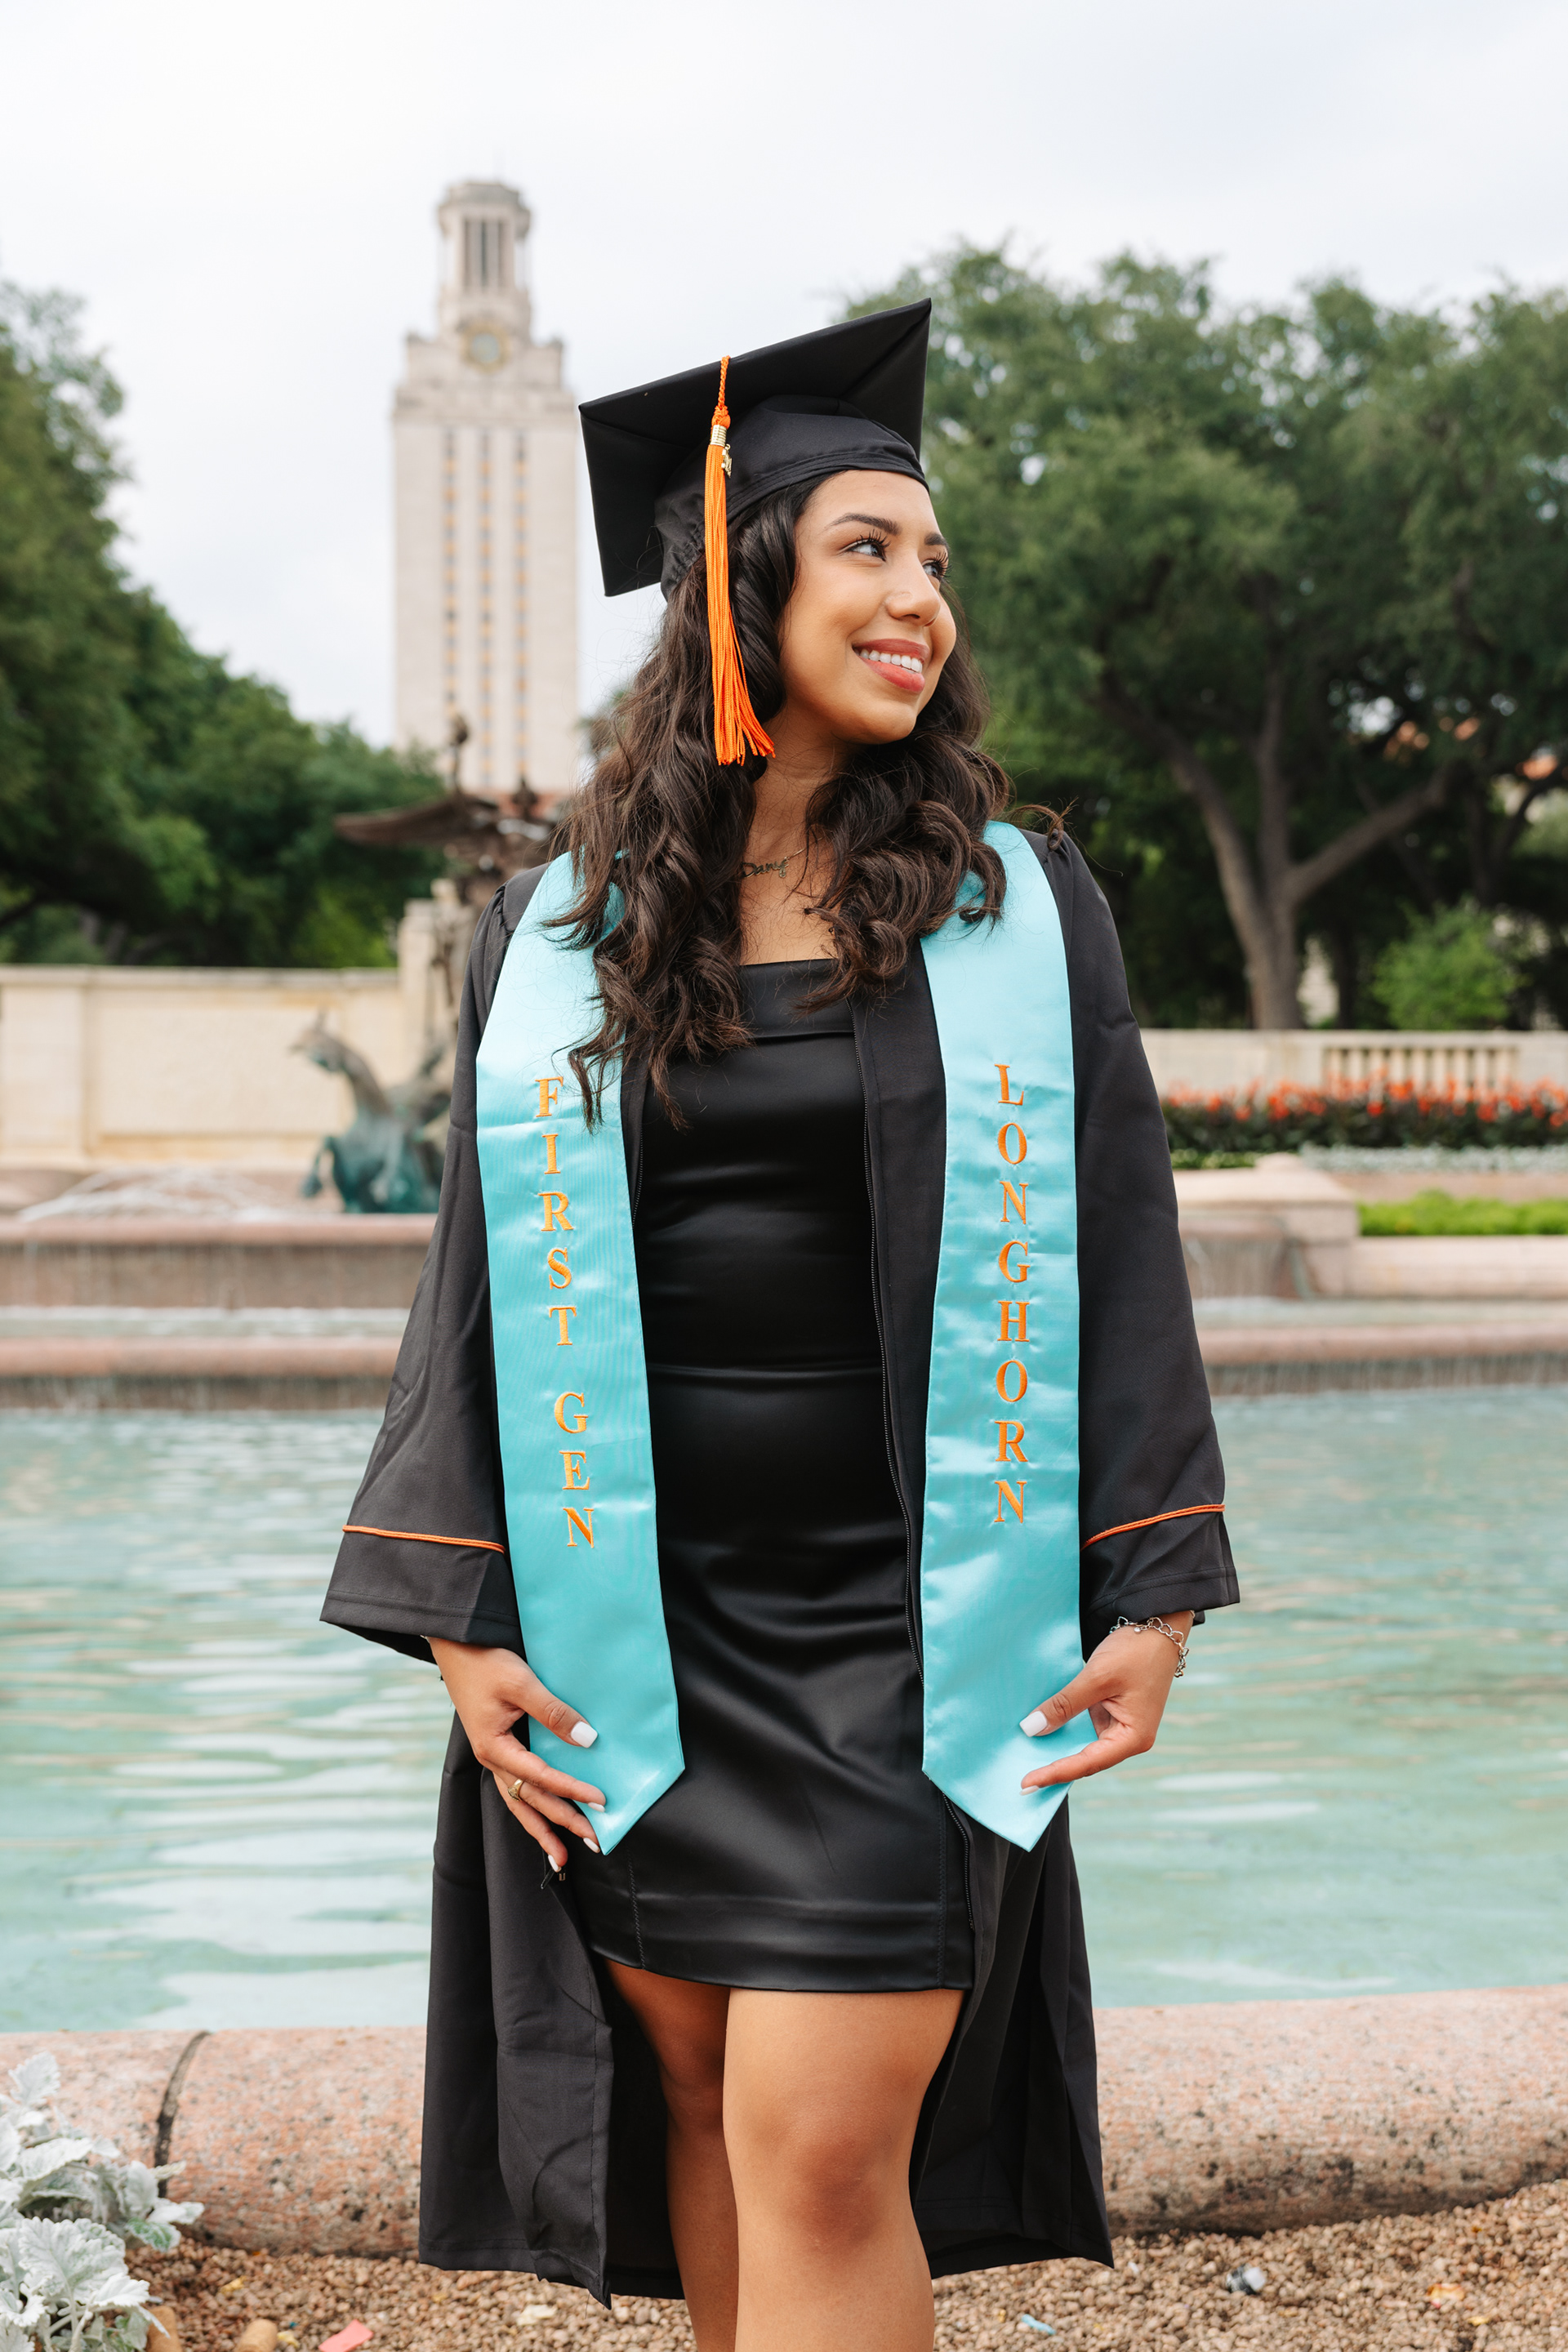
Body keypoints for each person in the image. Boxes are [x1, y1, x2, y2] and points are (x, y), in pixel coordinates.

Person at [322, 300, 1237, 2352]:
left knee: (820, 2149)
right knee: (707, 2121)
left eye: (934, 561)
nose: (921, 598)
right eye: (868, 551)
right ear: (742, 587)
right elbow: (471, 1290)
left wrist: (1156, 1596)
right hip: (637, 1630)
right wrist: (462, 1623)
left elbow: (1121, 1248)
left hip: (917, 1626)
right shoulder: (555, 933)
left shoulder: (1016, 907)